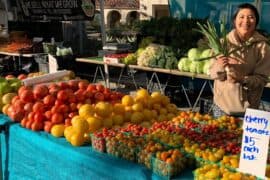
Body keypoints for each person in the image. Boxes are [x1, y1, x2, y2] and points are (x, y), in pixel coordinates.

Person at [209, 3, 270, 117]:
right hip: (222, 107)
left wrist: (242, 79)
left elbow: (262, 79)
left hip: (249, 108)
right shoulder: (222, 43)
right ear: (234, 20)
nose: (246, 21)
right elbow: (212, 74)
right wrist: (219, 65)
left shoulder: (263, 47)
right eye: (241, 17)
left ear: (256, 21)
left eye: (251, 17)